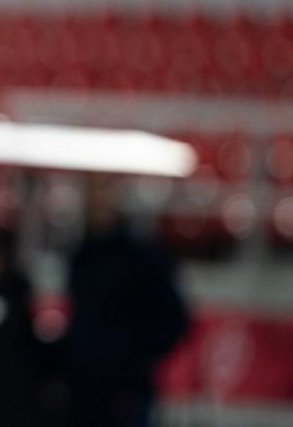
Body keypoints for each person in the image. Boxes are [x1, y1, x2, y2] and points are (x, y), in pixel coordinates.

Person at [63, 175, 189, 427]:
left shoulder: (142, 255)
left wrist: (133, 362)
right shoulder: (82, 255)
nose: (96, 200)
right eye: (91, 191)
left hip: (127, 394)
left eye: (103, 190)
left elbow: (174, 319)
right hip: (84, 392)